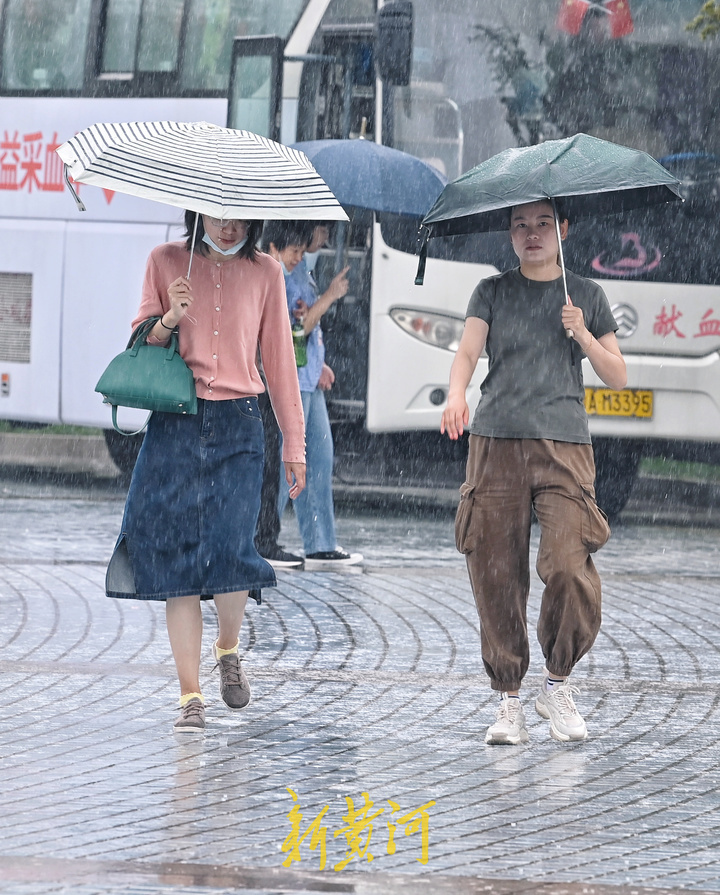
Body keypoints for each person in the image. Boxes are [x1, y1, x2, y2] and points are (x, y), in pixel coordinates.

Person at [106, 212, 306, 732]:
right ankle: (190, 696)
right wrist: (171, 315)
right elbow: (141, 341)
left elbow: (280, 360)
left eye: (240, 217)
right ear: (198, 212)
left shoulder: (266, 272)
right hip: (176, 421)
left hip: (240, 424)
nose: (228, 226)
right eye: (218, 216)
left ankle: (228, 648)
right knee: (176, 562)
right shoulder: (165, 260)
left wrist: (295, 445)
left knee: (232, 552)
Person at [441, 199, 626, 745]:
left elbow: (617, 375)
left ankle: (558, 683)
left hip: (565, 446)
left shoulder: (586, 295)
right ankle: (508, 701)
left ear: (563, 229)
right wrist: (456, 393)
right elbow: (468, 353)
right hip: (495, 442)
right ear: (510, 234)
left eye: (543, 223)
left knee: (569, 565)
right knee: (495, 573)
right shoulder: (492, 291)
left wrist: (584, 335)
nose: (532, 234)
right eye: (521, 225)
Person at [263, 221, 363, 570]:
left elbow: (305, 330)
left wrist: (318, 362)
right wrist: (332, 295)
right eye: (324, 229)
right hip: (291, 379)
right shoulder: (276, 270)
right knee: (284, 462)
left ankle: (320, 544)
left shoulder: (302, 264)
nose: (326, 237)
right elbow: (295, 328)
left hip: (308, 377)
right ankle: (263, 538)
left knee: (319, 459)